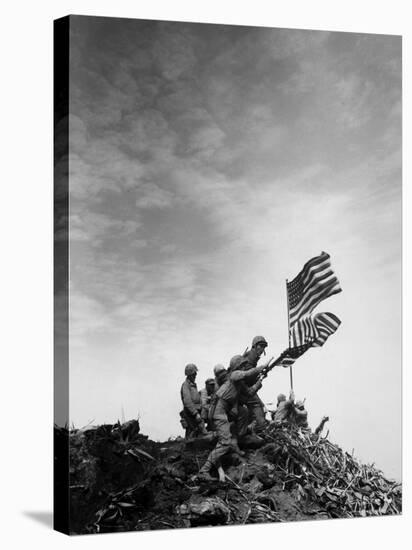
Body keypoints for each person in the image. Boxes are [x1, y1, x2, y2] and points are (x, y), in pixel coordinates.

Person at [197, 355, 265, 481]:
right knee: (225, 442)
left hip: (225, 409)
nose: (244, 367)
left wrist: (258, 383)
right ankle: (204, 470)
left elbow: (248, 393)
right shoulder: (233, 376)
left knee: (243, 411)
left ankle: (237, 440)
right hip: (219, 410)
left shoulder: (237, 381)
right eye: (242, 365)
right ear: (237, 367)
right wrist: (260, 368)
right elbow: (246, 374)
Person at [237, 335, 268, 434]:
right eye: (260, 346)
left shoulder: (252, 357)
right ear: (254, 346)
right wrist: (258, 377)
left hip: (245, 389)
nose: (262, 349)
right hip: (243, 390)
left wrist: (260, 375)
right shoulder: (250, 358)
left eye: (264, 346)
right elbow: (245, 376)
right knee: (257, 405)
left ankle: (255, 429)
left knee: (261, 406)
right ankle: (262, 429)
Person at [180, 363, 207, 439]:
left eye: (195, 373)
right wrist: (195, 414)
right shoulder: (186, 385)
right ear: (190, 374)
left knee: (197, 433)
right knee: (192, 433)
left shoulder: (193, 385)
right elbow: (187, 401)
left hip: (195, 412)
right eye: (194, 374)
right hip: (190, 413)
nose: (195, 375)